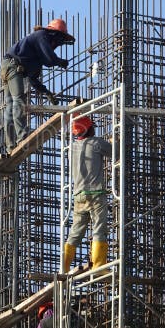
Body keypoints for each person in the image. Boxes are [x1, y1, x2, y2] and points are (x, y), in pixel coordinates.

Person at [0, 19, 74, 153]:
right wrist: (60, 62)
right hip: (12, 67)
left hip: (9, 67)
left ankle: (10, 146)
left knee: (11, 106)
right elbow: (50, 60)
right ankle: (22, 135)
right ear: (54, 34)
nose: (57, 44)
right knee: (18, 101)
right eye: (59, 39)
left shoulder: (36, 53)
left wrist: (46, 92)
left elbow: (33, 79)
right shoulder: (41, 35)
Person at [62, 115, 117, 273]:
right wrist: (115, 141)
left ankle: (64, 266)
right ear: (88, 129)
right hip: (95, 194)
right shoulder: (96, 143)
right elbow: (117, 152)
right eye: (92, 126)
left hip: (79, 195)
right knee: (99, 228)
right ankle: (99, 265)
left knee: (76, 232)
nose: (95, 128)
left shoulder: (72, 147)